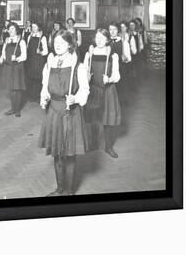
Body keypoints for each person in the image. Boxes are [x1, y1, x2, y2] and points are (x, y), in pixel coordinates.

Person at [39, 29, 89, 196]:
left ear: (69, 44)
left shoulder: (78, 66)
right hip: (53, 111)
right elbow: (44, 87)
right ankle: (59, 189)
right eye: (55, 42)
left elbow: (84, 91)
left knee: (69, 153)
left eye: (61, 42)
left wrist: (75, 99)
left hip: (70, 113)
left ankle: (69, 191)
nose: (57, 45)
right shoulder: (50, 63)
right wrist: (44, 97)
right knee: (57, 153)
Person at [84, 29, 122, 157]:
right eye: (97, 37)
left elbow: (117, 76)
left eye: (102, 38)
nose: (99, 40)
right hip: (94, 89)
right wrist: (86, 77)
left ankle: (109, 147)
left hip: (108, 90)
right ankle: (94, 143)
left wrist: (110, 79)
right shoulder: (89, 53)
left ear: (107, 40)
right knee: (93, 119)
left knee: (107, 120)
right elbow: (84, 71)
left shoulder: (112, 55)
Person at [0, 22, 27, 117]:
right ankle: (12, 108)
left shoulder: (21, 41)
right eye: (9, 29)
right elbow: (3, 51)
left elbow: (24, 56)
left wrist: (17, 58)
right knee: (11, 88)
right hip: (8, 67)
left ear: (16, 30)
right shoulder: (7, 40)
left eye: (12, 29)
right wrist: (1, 58)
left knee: (17, 89)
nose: (10, 31)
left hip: (17, 68)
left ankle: (17, 109)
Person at [25, 21, 48, 101]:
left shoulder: (43, 37)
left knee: (38, 78)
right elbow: (27, 47)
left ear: (38, 28)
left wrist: (40, 52)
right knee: (31, 77)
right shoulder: (29, 36)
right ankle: (31, 96)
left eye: (35, 27)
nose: (33, 28)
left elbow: (46, 51)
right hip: (31, 59)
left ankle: (38, 97)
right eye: (32, 27)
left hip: (38, 60)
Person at [110, 22, 131, 102]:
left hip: (120, 68)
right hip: (109, 68)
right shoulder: (106, 41)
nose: (112, 32)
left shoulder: (123, 42)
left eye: (114, 29)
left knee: (120, 89)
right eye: (110, 29)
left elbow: (128, 59)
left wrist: (123, 57)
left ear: (118, 30)